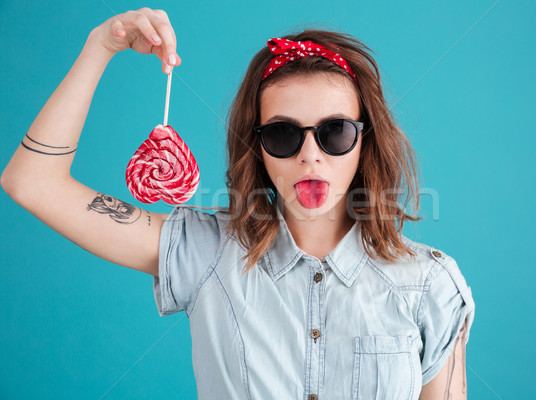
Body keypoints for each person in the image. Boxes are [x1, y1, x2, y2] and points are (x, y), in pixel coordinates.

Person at [1, 7, 475, 400]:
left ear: (364, 142)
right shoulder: (205, 253)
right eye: (283, 134)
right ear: (257, 147)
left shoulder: (430, 284)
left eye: (335, 131)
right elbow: (32, 183)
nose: (311, 154)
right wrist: (100, 46)